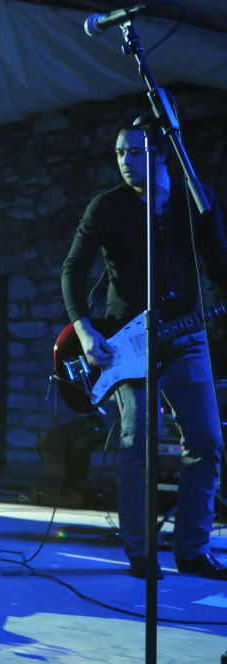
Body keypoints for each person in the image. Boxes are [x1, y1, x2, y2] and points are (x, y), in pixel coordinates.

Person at [61, 116, 227, 580]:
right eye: (120, 153)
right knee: (138, 445)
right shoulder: (107, 206)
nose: (125, 161)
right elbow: (73, 270)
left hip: (186, 336)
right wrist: (86, 332)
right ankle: (140, 552)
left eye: (134, 152)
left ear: (162, 153)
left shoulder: (195, 200)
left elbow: (219, 262)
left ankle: (192, 550)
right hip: (127, 342)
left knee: (207, 442)